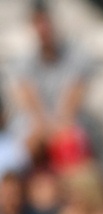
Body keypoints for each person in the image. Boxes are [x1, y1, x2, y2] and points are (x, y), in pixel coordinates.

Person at [8, 0, 94, 172]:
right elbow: (29, 103)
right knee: (27, 144)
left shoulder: (76, 56)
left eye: (45, 22)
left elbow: (71, 104)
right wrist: (46, 128)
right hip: (38, 124)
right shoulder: (24, 61)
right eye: (37, 22)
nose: (43, 28)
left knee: (68, 140)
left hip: (65, 122)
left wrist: (54, 128)